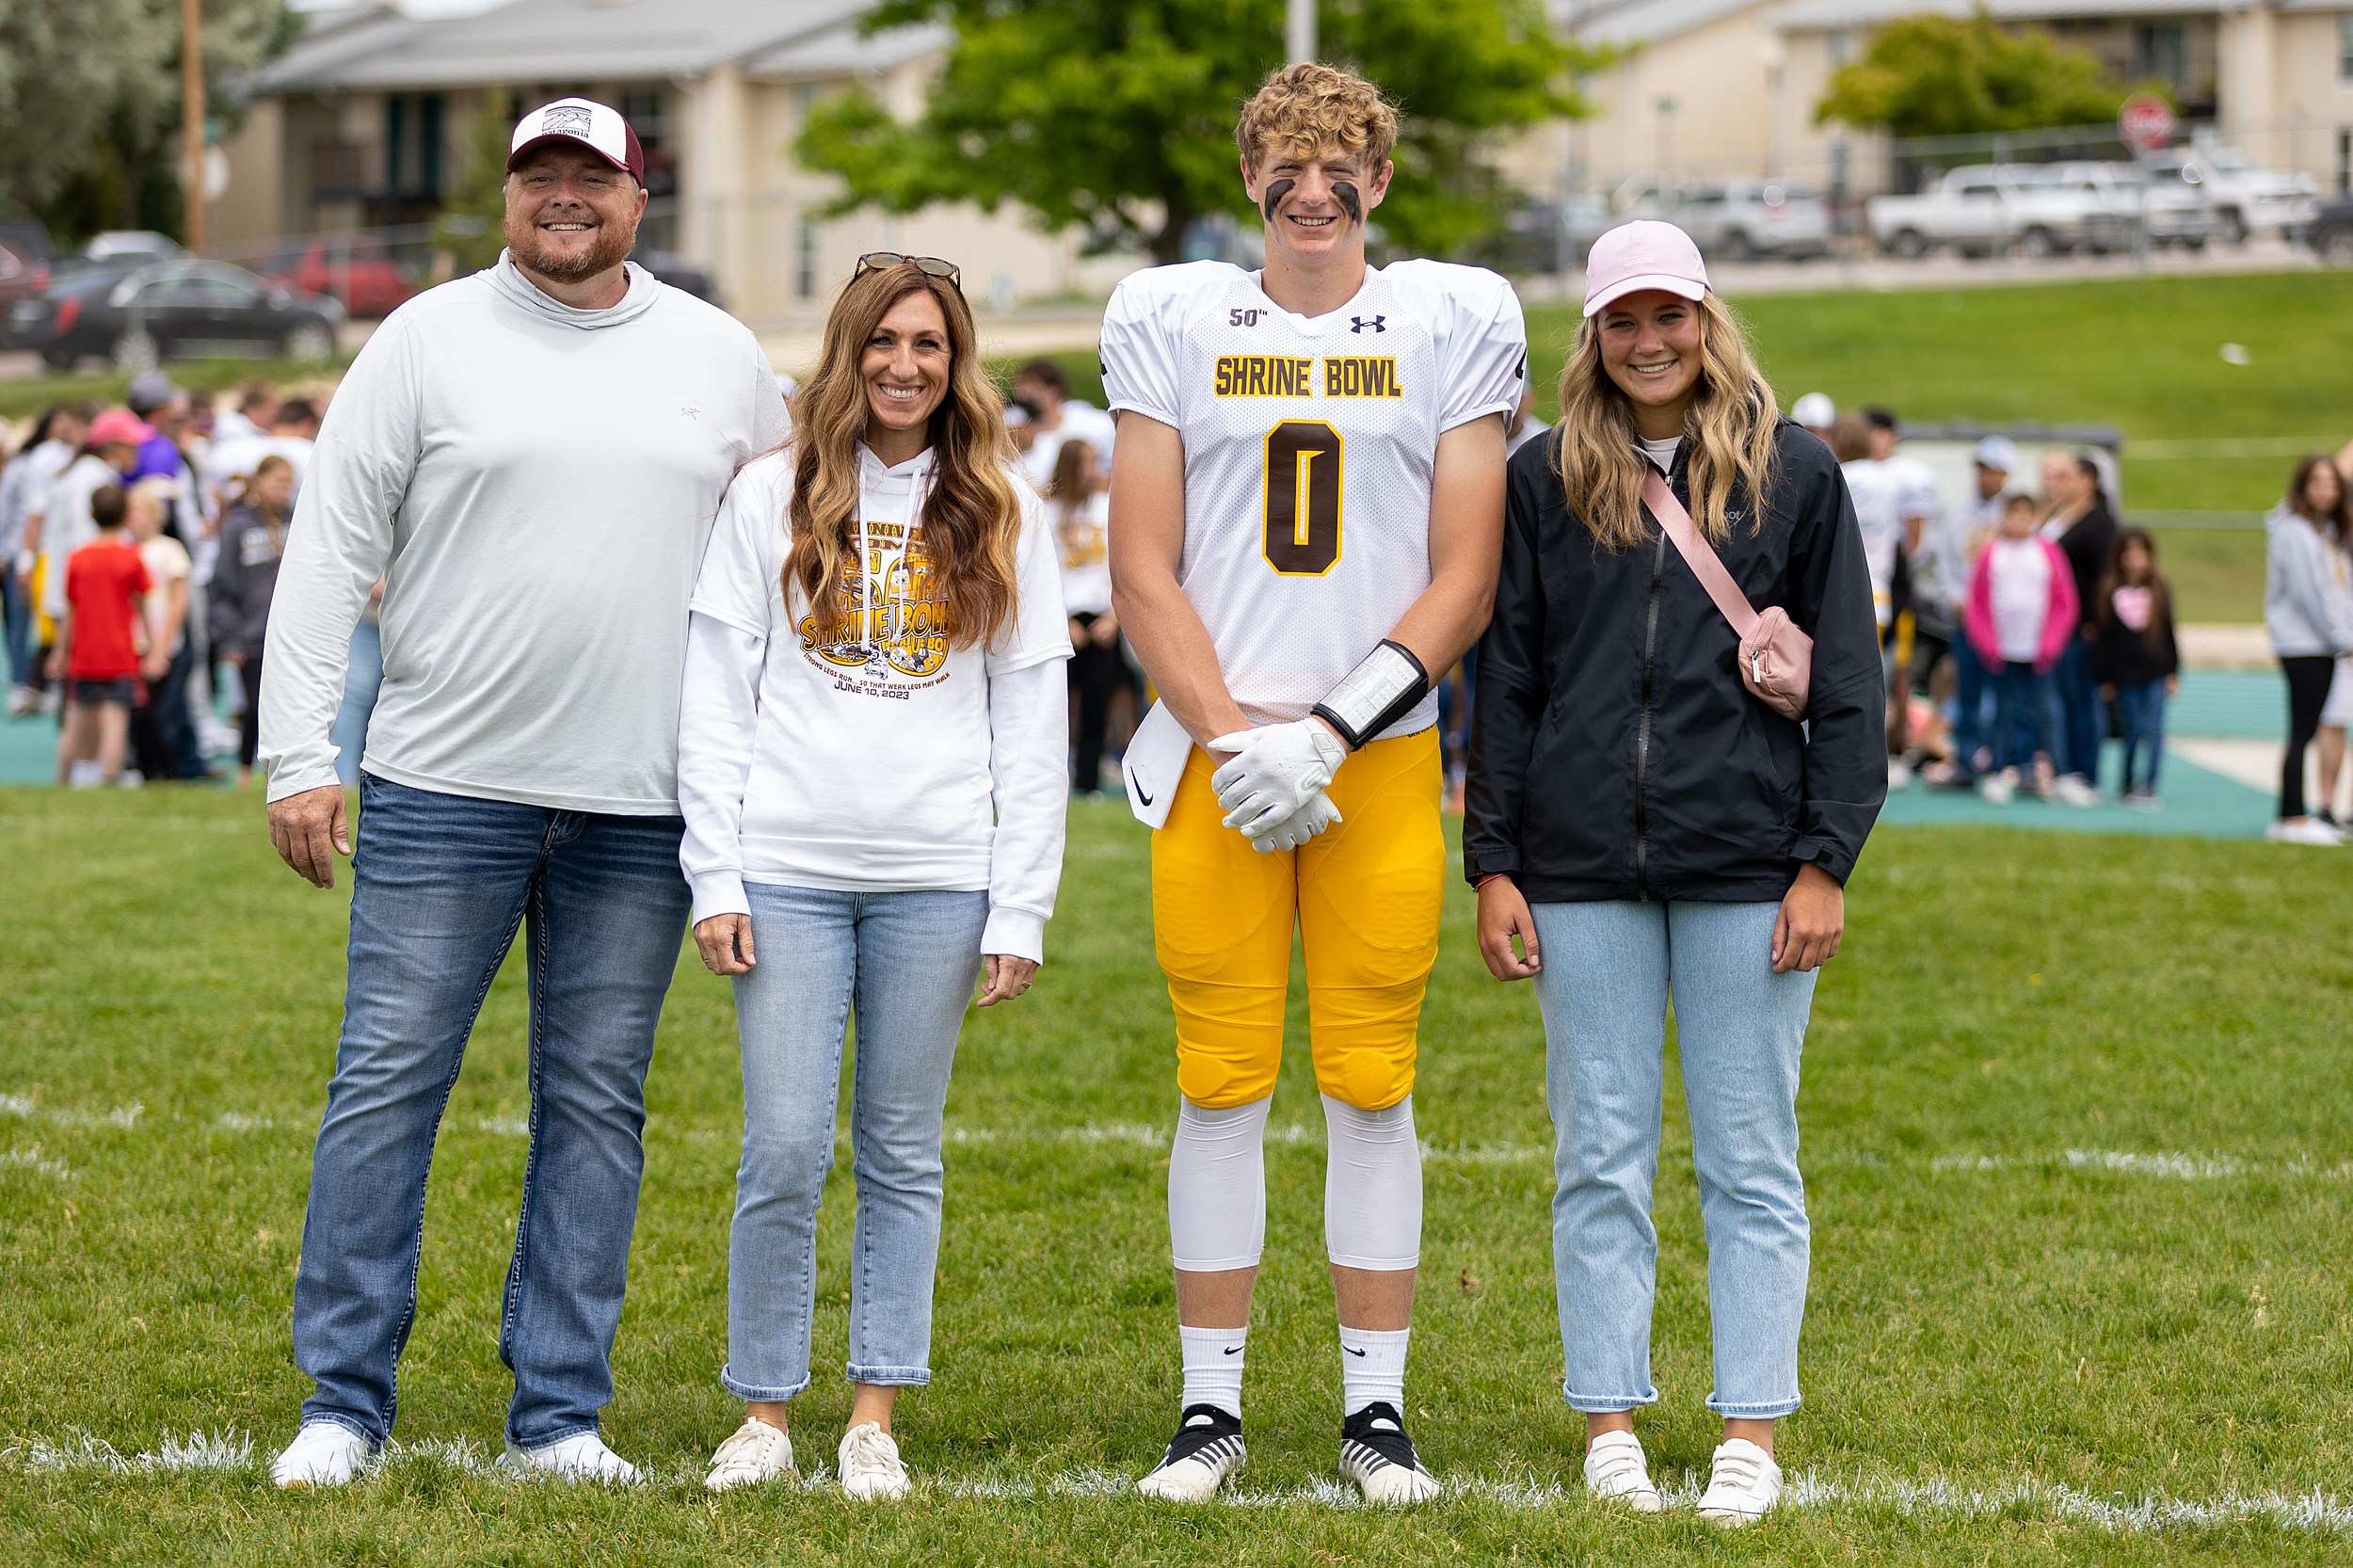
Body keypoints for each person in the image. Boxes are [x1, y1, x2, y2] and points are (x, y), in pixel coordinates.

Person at [257, 95, 788, 1490]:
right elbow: (326, 551)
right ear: (507, 196)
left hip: (643, 802)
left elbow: (791, 550)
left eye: (592, 178)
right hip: (442, 783)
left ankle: (559, 1413)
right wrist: (300, 755)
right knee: (386, 1085)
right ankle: (341, 1402)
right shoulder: (425, 338)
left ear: (637, 197)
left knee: (596, 1104)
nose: (566, 198)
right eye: (540, 176)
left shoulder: (718, 356)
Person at [1103, 62, 1524, 1505]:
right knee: (1219, 1079)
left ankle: (1375, 1412)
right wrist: (1235, 740)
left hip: (1380, 757)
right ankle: (1207, 1410)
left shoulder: (1447, 316)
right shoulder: (1171, 315)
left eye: (1342, 156)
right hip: (1221, 759)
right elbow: (1141, 564)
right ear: (1250, 178)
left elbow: (1466, 573)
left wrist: (1329, 733)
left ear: (1381, 180)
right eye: (1288, 155)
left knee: (1369, 1079)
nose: (1315, 180)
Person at [1466, 218, 1882, 1528]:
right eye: (1625, 320)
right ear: (1593, 334)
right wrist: (1494, 862)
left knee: (1752, 1158)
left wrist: (1824, 862)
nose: (1652, 342)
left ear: (1709, 319)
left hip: (1750, 866)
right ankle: (1611, 1422)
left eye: (1673, 315)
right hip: (1578, 866)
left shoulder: (1800, 474)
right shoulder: (1542, 479)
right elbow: (1510, 683)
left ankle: (1750, 1428)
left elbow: (1855, 689)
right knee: (1600, 1152)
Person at [679, 255, 1070, 1499]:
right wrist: (716, 874)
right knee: (785, 1146)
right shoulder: (765, 496)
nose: (906, 364)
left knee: (902, 1151)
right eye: (884, 341)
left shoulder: (1001, 505)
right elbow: (715, 700)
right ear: (846, 354)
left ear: (957, 366)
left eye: (931, 345)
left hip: (938, 878)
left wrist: (1021, 898)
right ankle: (764, 1412)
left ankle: (874, 1414)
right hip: (786, 868)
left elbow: (1032, 719)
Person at [1964, 493, 2079, 805]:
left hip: (2038, 651)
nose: (2020, 521)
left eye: (2026, 515)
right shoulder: (1993, 552)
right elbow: (1975, 602)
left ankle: (2058, 772)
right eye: (2014, 515)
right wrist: (1987, 644)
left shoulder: (2047, 552)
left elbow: (2064, 602)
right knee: (2001, 712)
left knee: (2047, 712)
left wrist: (2051, 643)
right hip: (2002, 651)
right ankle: (1997, 770)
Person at [2262, 455, 2353, 844]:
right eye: (2317, 482)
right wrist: (2344, 640)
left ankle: (2294, 814)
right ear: (2302, 486)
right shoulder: (2295, 531)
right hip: (2304, 644)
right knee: (2301, 731)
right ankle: (2292, 817)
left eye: (2332, 483)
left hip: (2320, 643)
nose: (2325, 490)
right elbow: (2311, 596)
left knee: (2305, 728)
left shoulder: (2325, 532)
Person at [1919, 437, 2016, 786]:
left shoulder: (2013, 517)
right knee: (1967, 689)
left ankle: (1999, 761)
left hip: (2003, 623)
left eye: (1992, 470)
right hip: (1966, 619)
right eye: (1981, 469)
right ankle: (1966, 760)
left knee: (2004, 693)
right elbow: (1945, 562)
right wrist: (1955, 599)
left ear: (2005, 473)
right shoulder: (1958, 514)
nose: (1984, 477)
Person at [48, 485, 153, 787]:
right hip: (120, 651)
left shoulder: (78, 558)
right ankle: (109, 776)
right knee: (115, 717)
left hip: (86, 653)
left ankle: (63, 778)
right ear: (124, 517)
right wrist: (154, 646)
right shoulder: (131, 557)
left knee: (76, 719)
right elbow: (142, 604)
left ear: (91, 515)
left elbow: (70, 610)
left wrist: (60, 652)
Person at [1, 403, 89, 714]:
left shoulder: (77, 460)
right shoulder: (40, 460)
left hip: (64, 552)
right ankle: (27, 684)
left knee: (58, 621)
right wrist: (24, 559)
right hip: (42, 554)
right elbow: (30, 514)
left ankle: (51, 683)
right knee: (38, 621)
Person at [211, 456, 295, 786]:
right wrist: (229, 637)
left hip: (289, 633)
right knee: (252, 707)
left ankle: (279, 773)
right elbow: (220, 585)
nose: (282, 490)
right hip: (250, 633)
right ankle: (245, 772)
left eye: (288, 484)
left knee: (287, 708)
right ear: (258, 482)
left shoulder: (297, 520)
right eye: (277, 482)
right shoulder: (238, 526)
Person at [2039, 449, 2116, 804]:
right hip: (2050, 626)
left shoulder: (2099, 524)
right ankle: (2060, 765)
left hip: (2080, 628)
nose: (2056, 484)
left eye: (2064, 476)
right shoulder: (2055, 517)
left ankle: (2085, 772)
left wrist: (2093, 624)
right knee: (2055, 700)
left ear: (2088, 481)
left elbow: (2106, 580)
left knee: (2080, 698)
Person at [1049, 438, 1122, 794]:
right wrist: (1061, 622)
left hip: (1103, 617)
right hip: (1060, 619)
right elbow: (1041, 574)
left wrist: (1115, 617)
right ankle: (1051, 782)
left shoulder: (1108, 507)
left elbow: (1122, 566)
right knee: (1054, 709)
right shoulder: (1047, 511)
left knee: (1097, 704)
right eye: (1082, 463)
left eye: (1093, 462)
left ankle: (1088, 784)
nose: (1089, 471)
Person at [2089, 528, 2179, 810]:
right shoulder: (2108, 591)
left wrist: (2173, 670)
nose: (2135, 560)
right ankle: (2127, 782)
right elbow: (2102, 640)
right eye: (2129, 553)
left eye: (2141, 553)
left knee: (2153, 729)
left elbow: (2169, 633)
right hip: (2124, 674)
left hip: (2154, 672)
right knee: (2131, 730)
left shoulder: (2160, 591)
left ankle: (2149, 784)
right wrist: (2104, 677)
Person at [124, 476, 198, 783]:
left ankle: (169, 772)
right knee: (147, 714)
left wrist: (161, 646)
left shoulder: (170, 550)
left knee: (161, 714)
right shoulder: (126, 550)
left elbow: (179, 603)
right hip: (136, 644)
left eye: (138, 511)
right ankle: (161, 769)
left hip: (168, 645)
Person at [1009, 357, 1116, 493]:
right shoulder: (1012, 427)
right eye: (1021, 388)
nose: (1026, 394)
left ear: (1055, 391)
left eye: (1035, 388)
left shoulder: (1089, 422)